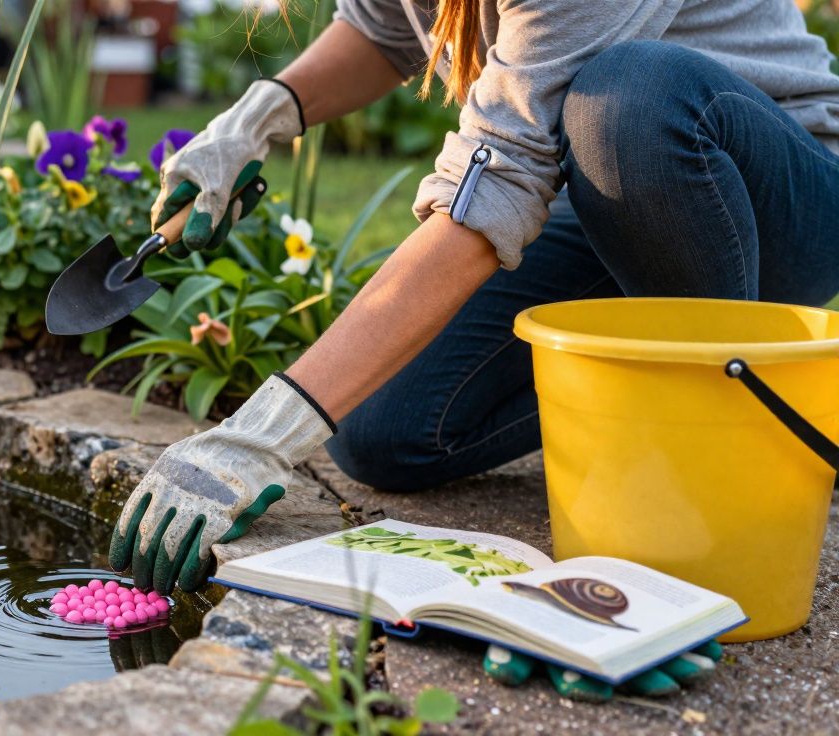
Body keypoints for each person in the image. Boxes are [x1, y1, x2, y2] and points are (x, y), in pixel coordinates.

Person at [110, 0, 839, 702]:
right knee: (382, 426)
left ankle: (703, 488)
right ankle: (638, 377)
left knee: (627, 100)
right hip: (605, 198)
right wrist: (254, 119)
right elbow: (384, 28)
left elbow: (497, 181)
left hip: (765, 185)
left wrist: (264, 433)